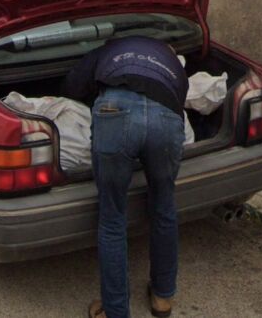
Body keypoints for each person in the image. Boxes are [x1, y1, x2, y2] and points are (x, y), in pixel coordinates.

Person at [62, 36, 188, 318]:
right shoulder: (172, 63)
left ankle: (116, 311)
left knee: (112, 219)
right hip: (166, 119)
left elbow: (72, 85)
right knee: (164, 206)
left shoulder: (108, 51)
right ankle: (162, 297)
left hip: (114, 110)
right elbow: (180, 100)